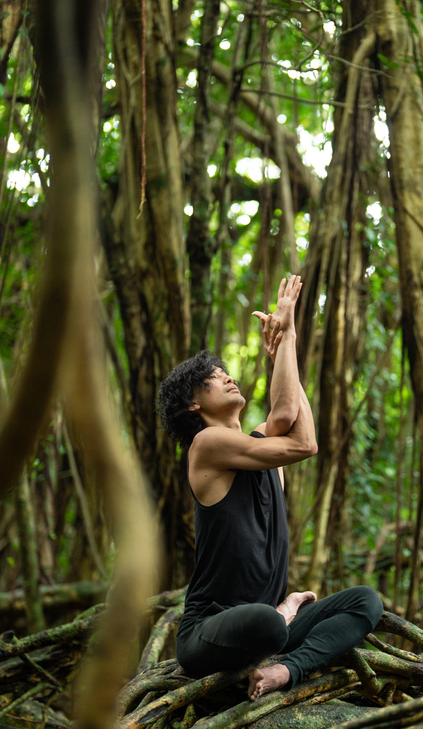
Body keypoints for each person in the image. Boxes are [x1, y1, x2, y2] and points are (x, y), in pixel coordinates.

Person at [157, 274, 383, 701]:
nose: (227, 378)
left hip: (270, 634)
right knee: (265, 621)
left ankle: (284, 670)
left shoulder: (261, 448)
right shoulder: (206, 445)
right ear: (194, 404)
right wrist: (283, 611)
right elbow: (301, 442)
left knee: (366, 601)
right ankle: (284, 611)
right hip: (211, 632)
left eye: (225, 372)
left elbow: (293, 425)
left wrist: (286, 342)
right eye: (214, 378)